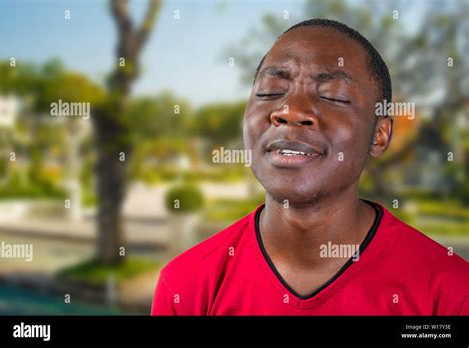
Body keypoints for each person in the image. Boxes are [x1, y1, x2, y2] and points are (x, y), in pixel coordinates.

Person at [151, 18, 469, 315]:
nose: (290, 111)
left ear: (380, 134)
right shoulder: (186, 288)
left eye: (334, 96)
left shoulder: (451, 295)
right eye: (270, 92)